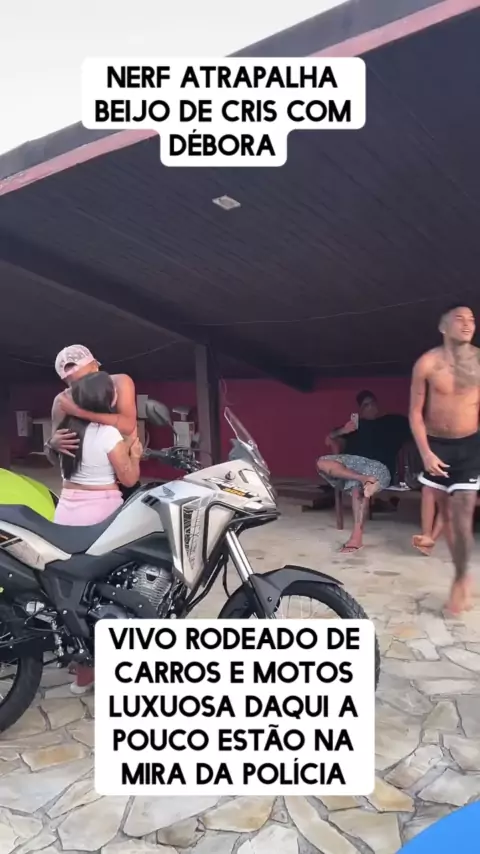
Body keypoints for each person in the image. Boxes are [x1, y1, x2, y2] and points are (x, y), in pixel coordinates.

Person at [53, 371, 143, 693]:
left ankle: (81, 670)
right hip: (100, 515)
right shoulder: (107, 434)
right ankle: (108, 664)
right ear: (107, 399)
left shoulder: (65, 431)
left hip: (66, 512)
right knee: (109, 591)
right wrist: (134, 454)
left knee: (75, 592)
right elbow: (129, 479)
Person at [410, 304, 480, 615]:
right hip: (436, 447)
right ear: (443, 326)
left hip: (470, 446)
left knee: (462, 516)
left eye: (472, 320)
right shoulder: (427, 363)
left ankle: (460, 579)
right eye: (459, 319)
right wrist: (426, 452)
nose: (467, 324)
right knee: (448, 516)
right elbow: (415, 413)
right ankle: (453, 561)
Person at [317, 390, 410, 553]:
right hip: (352, 465)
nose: (371, 407)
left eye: (373, 403)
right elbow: (328, 439)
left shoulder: (393, 421)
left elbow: (418, 428)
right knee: (322, 462)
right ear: (360, 410)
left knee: (357, 488)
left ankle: (356, 537)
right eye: (366, 405)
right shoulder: (354, 426)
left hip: (378, 466)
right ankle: (363, 478)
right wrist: (343, 431)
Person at [45, 346, 139, 500]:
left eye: (87, 378)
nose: (84, 387)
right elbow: (55, 456)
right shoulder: (62, 401)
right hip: (87, 485)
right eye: (76, 385)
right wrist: (52, 445)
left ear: (95, 366)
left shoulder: (120, 383)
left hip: (123, 473)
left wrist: (79, 412)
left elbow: (128, 426)